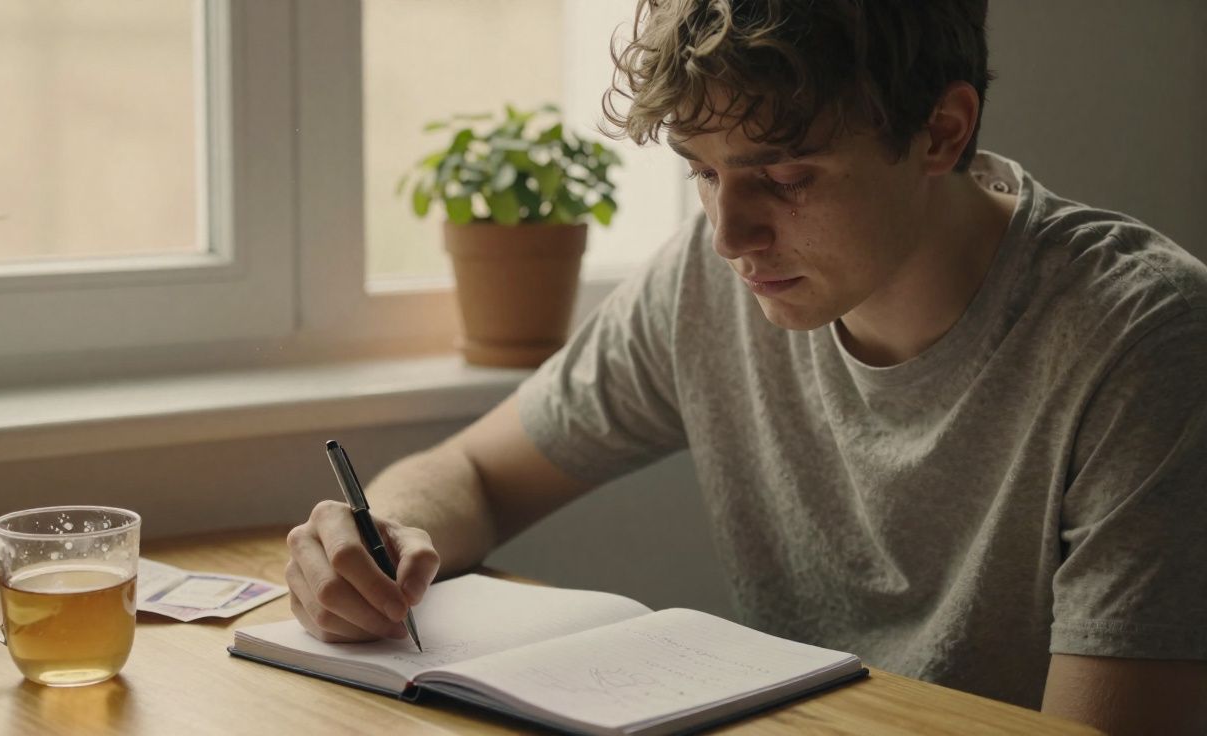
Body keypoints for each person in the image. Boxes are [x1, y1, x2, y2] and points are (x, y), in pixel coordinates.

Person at [285, 1, 1207, 732]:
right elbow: (476, 475)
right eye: (701, 171)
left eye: (787, 177)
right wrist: (377, 540)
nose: (729, 235)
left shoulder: (1144, 340)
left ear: (941, 132)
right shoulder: (709, 280)